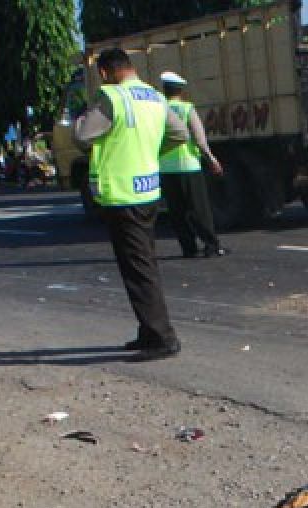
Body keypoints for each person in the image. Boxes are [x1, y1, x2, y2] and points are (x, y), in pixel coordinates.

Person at [73, 48, 182, 361]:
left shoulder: (112, 97)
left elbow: (82, 135)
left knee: (137, 268)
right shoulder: (154, 96)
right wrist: (147, 151)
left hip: (122, 194)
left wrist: (84, 112)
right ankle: (149, 331)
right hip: (147, 189)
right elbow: (179, 133)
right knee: (145, 262)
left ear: (106, 72)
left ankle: (162, 336)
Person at [158, 71, 227, 258]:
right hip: (188, 166)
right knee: (199, 209)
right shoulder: (187, 109)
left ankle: (188, 248)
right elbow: (199, 139)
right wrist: (211, 159)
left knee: (177, 211)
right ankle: (211, 245)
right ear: (181, 90)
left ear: (164, 90)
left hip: (165, 167)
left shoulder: (158, 110)